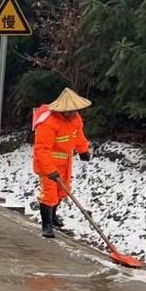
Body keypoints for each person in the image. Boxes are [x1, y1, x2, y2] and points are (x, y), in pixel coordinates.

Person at [32, 88, 92, 238]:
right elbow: (41, 149)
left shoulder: (75, 119)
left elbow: (78, 135)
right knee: (49, 194)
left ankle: (53, 216)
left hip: (65, 161)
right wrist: (49, 170)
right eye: (70, 111)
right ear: (62, 110)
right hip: (48, 162)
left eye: (75, 110)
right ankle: (46, 225)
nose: (73, 113)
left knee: (62, 191)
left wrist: (83, 150)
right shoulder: (48, 123)